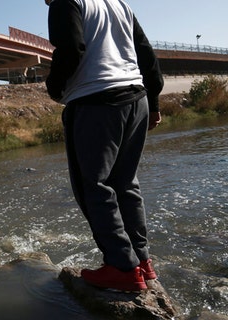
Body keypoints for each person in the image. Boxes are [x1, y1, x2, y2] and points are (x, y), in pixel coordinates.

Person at [45, 0, 164, 291]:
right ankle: (142, 262)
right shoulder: (118, 3)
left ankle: (122, 267)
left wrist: (55, 88)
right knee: (126, 183)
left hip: (97, 103)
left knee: (94, 186)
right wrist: (156, 102)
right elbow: (146, 54)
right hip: (136, 99)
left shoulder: (66, 2)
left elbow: (71, 49)